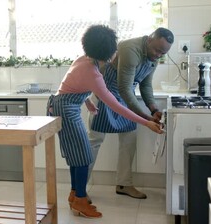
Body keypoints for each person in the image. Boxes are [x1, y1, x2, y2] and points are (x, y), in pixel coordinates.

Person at [46, 25, 164, 219]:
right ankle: (81, 201)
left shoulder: (84, 60)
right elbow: (116, 105)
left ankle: (75, 196)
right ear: (108, 52)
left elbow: (68, 85)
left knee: (78, 155)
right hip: (66, 110)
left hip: (66, 106)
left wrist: (88, 102)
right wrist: (146, 121)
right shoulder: (93, 73)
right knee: (83, 156)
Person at [87, 27, 174, 199]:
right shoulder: (129, 49)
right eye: (157, 50)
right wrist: (147, 119)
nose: (158, 55)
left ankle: (123, 184)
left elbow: (145, 85)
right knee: (94, 141)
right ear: (149, 39)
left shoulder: (154, 57)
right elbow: (125, 89)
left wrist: (154, 109)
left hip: (124, 97)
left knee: (129, 139)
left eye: (162, 53)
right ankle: (79, 189)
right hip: (104, 94)